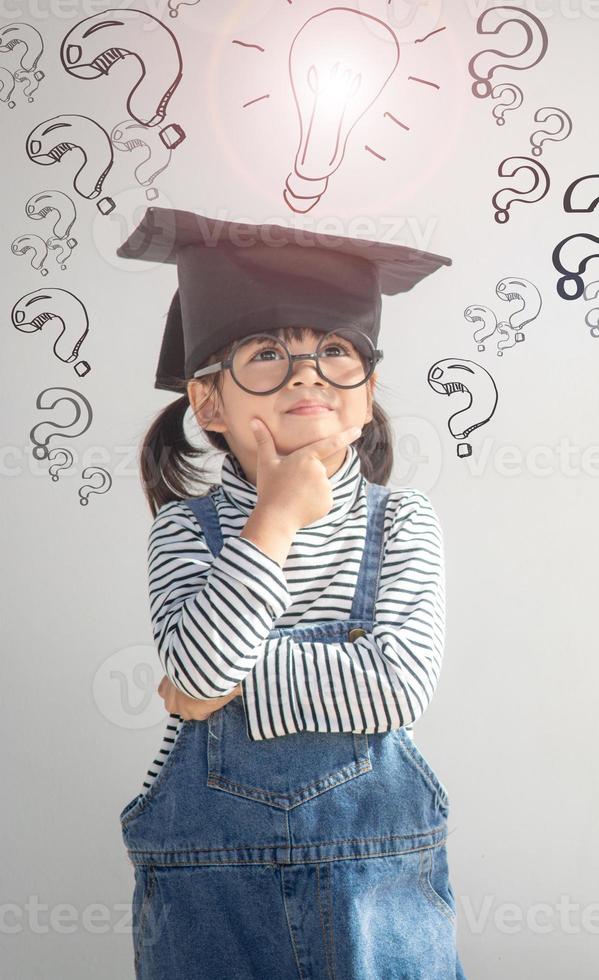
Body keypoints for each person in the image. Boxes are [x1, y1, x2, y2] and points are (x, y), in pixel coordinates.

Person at [114, 206, 468, 979]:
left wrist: (220, 682)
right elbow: (205, 678)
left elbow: (394, 688)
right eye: (267, 354)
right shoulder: (182, 531)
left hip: (379, 908)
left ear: (365, 390)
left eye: (335, 352)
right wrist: (272, 521)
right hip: (213, 910)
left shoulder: (402, 521)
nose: (306, 373)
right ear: (209, 403)